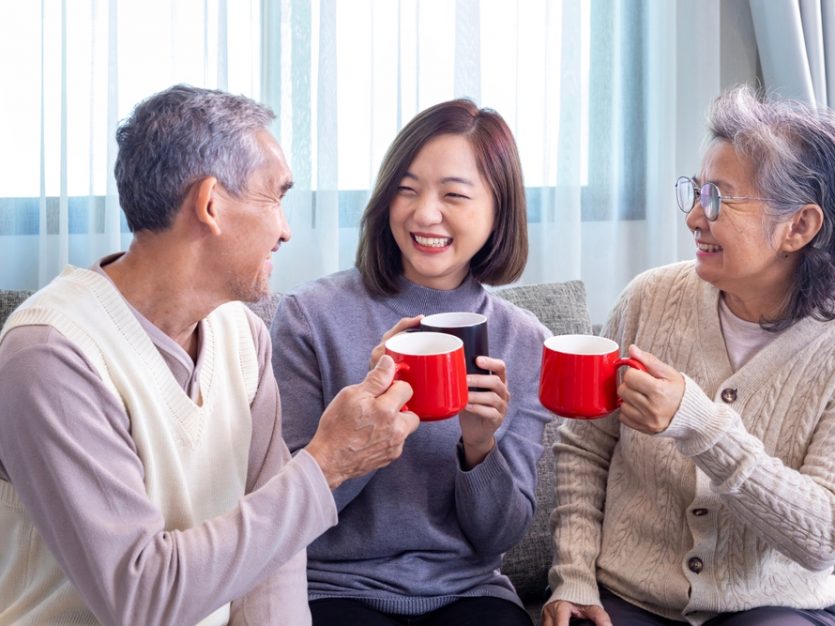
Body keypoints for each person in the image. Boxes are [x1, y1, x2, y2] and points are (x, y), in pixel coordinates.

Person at [0, 84, 420, 625]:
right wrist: (327, 464)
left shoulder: (241, 333)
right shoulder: (50, 355)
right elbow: (141, 596)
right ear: (211, 204)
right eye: (275, 196)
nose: (286, 230)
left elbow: (274, 558)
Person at [543, 84, 835, 626]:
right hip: (630, 596)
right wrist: (575, 575)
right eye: (696, 192)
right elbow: (583, 449)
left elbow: (823, 539)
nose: (695, 219)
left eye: (719, 199)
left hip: (771, 606)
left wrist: (698, 424)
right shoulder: (649, 299)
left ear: (799, 226)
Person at [270, 99, 552, 625]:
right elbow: (287, 513)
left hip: (470, 593)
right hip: (334, 589)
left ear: (498, 212)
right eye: (407, 189)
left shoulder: (524, 340)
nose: (424, 214)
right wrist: (364, 426)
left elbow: (500, 536)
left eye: (454, 195)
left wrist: (479, 446)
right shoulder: (310, 317)